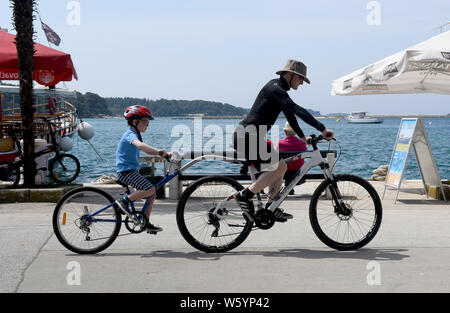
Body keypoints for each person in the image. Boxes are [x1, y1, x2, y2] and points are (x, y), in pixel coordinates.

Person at [232, 59, 334, 222]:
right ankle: (245, 195)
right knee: (280, 167)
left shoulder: (278, 91)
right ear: (290, 74)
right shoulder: (275, 89)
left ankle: (271, 208)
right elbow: (297, 110)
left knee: (279, 167)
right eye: (300, 79)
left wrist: (302, 138)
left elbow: (290, 116)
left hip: (252, 137)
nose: (301, 83)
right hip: (247, 136)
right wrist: (322, 128)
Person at [114, 105, 169, 233]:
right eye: (145, 122)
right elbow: (141, 146)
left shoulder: (135, 134)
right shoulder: (130, 135)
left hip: (131, 171)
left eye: (148, 122)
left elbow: (144, 149)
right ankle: (123, 202)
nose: (147, 125)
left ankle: (146, 222)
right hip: (126, 172)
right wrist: (158, 152)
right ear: (135, 122)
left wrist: (165, 154)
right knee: (149, 189)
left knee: (152, 193)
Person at [278, 122, 307, 195]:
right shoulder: (301, 143)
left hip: (284, 171)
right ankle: (290, 187)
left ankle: (287, 187)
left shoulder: (279, 143)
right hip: (298, 171)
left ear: (285, 131)